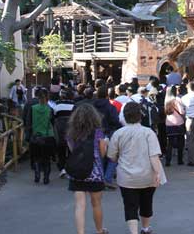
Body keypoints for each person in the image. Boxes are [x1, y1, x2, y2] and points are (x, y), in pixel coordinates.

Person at [107, 102, 166, 234]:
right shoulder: (148, 132)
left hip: (126, 177)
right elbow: (154, 156)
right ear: (140, 116)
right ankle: (145, 228)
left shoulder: (118, 134)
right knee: (146, 203)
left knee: (130, 206)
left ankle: (134, 232)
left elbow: (111, 156)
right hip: (147, 175)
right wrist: (158, 174)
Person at [67, 104, 109, 234]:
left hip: (77, 172)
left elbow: (72, 151)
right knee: (96, 203)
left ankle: (81, 232)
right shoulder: (98, 133)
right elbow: (102, 154)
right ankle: (99, 230)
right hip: (95, 173)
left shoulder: (71, 133)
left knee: (80, 205)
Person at [28, 89, 56, 184]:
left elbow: (28, 123)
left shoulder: (32, 108)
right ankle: (46, 178)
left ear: (37, 97)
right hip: (47, 137)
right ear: (47, 97)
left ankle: (37, 173)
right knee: (46, 159)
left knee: (36, 157)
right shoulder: (50, 109)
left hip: (35, 137)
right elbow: (53, 123)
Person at [54, 89, 76, 178]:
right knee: (71, 149)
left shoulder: (57, 105)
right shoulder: (74, 105)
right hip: (71, 130)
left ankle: (62, 168)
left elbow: (54, 116)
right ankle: (70, 169)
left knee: (61, 149)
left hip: (60, 131)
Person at [164, 86, 185, 166]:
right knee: (181, 141)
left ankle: (168, 161)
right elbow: (181, 111)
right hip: (178, 122)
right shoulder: (176, 100)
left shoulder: (166, 101)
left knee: (170, 143)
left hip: (169, 123)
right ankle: (180, 160)